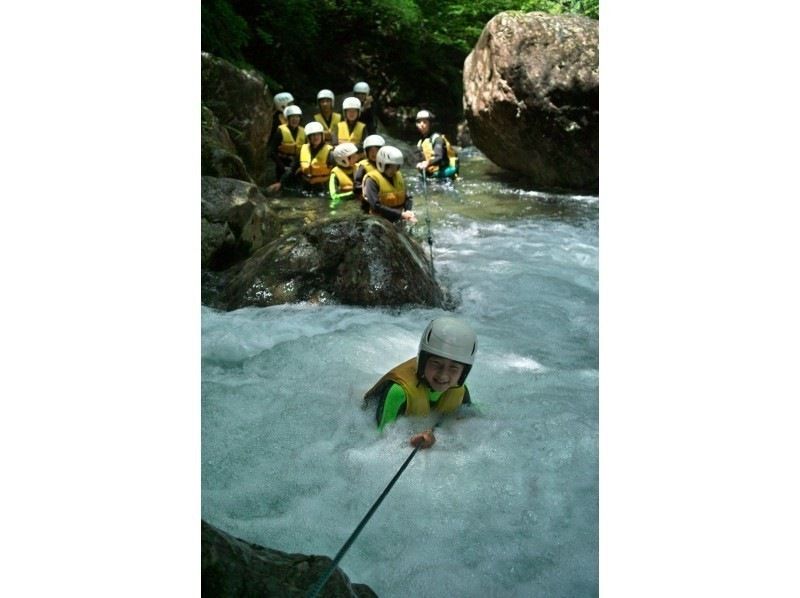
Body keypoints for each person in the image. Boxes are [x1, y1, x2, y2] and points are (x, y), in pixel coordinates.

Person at [362, 317, 478, 448]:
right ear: (423, 361)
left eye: (453, 368)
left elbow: (474, 421)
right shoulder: (398, 392)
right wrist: (410, 443)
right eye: (436, 363)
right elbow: (380, 442)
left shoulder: (460, 391)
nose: (443, 375)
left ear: (463, 372)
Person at [362, 145, 416, 224]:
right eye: (391, 166)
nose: (394, 169)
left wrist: (408, 211)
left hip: (398, 218)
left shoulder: (398, 176)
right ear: (382, 164)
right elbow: (375, 205)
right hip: (379, 222)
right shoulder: (371, 180)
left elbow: (408, 197)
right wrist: (400, 214)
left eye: (397, 166)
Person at [414, 110, 459, 179]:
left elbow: (439, 157)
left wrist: (428, 163)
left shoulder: (437, 139)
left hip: (447, 173)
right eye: (419, 122)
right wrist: (418, 164)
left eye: (425, 122)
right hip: (434, 174)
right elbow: (418, 159)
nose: (421, 125)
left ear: (430, 124)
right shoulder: (420, 143)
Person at [268, 105, 305, 183]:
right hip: (283, 164)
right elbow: (271, 151)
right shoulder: (280, 131)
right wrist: (282, 166)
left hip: (297, 166)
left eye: (297, 117)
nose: (295, 119)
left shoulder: (303, 131)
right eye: (292, 117)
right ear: (288, 118)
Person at [298, 121, 335, 192]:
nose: (316, 137)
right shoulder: (303, 149)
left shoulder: (330, 152)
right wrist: (280, 183)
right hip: (306, 186)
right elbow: (293, 168)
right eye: (313, 135)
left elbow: (336, 171)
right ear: (308, 137)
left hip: (324, 187)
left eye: (318, 134)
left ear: (322, 135)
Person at [353, 134, 384, 204]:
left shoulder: (385, 164)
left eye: (376, 150)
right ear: (366, 152)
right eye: (371, 150)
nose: (373, 153)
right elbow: (356, 186)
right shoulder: (363, 166)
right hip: (368, 199)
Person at [328, 142, 360, 209]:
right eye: (353, 157)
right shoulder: (335, 174)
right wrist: (354, 194)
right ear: (344, 160)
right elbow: (334, 196)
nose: (356, 158)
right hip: (344, 206)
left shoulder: (360, 168)